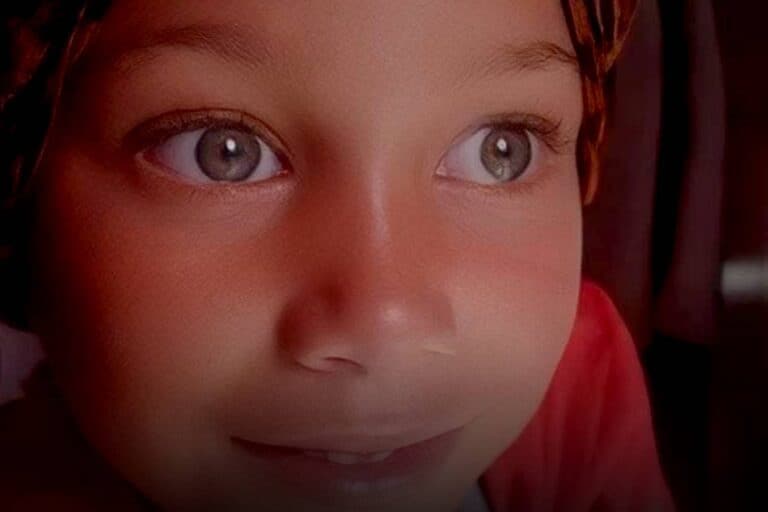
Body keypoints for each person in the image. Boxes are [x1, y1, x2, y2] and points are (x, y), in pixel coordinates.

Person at [0, 1, 675, 511]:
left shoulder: (582, 384)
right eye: (222, 151)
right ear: (23, 195)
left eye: (503, 149)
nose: (385, 322)